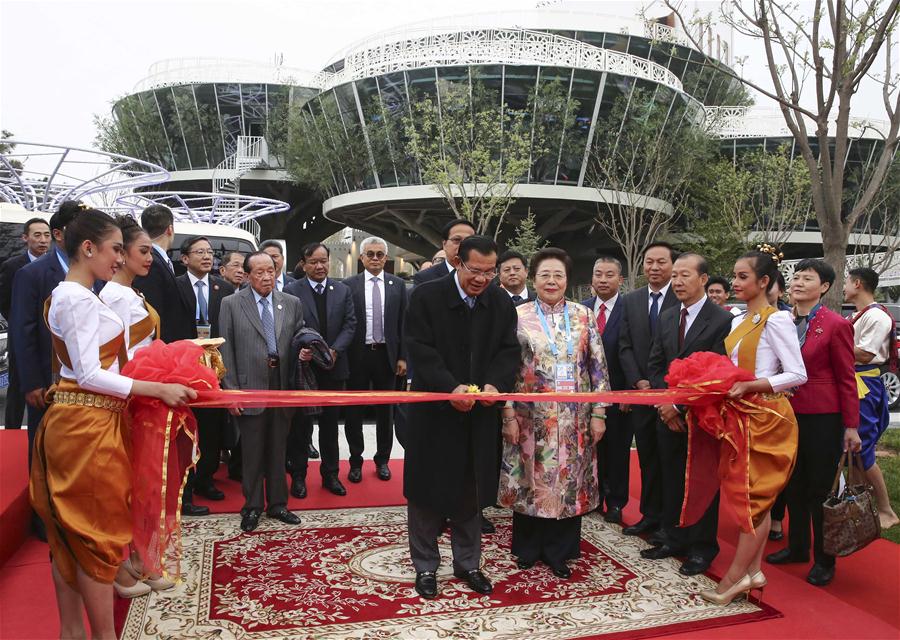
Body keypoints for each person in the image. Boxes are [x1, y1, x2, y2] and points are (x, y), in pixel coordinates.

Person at [29, 208, 195, 639]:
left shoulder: (74, 295)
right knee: (93, 537)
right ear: (88, 248)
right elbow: (88, 374)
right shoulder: (76, 297)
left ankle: (74, 631)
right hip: (85, 425)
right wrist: (157, 389)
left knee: (73, 536)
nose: (120, 259)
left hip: (88, 419)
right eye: (116, 249)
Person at [404, 235, 519, 599]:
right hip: (434, 412)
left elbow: (508, 351)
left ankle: (468, 564)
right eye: (475, 270)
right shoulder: (427, 296)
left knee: (471, 491)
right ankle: (425, 566)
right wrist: (449, 387)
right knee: (426, 491)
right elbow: (419, 348)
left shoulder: (500, 302)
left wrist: (494, 384)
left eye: (490, 272)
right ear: (457, 262)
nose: (482, 279)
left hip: (478, 415)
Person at [691, 248, 807, 605]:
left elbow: (797, 374)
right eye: (735, 275)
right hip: (740, 414)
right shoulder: (738, 319)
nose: (735, 282)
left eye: (743, 277)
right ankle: (753, 572)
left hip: (767, 418)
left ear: (764, 281)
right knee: (754, 497)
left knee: (753, 498)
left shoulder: (778, 320)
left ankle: (733, 578)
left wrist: (751, 385)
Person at [498, 248, 609, 578]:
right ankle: (528, 548)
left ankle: (560, 550)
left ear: (567, 280)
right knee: (530, 479)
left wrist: (599, 413)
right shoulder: (517, 316)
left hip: (575, 418)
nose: (551, 281)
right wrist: (507, 414)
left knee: (569, 480)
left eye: (558, 275)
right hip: (529, 418)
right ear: (534, 279)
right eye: (544, 274)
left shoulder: (583, 315)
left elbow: (598, 367)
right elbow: (506, 369)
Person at [764, 259, 860, 587]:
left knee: (819, 488)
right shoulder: (781, 320)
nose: (798, 283)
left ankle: (824, 559)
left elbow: (846, 378)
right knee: (792, 482)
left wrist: (851, 425)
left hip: (822, 416)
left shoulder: (835, 324)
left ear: (825, 287)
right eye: (796, 277)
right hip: (786, 413)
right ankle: (797, 546)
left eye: (807, 278)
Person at [98, 214, 173, 598]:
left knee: (147, 485)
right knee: (136, 485)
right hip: (132, 398)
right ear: (122, 254)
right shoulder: (114, 296)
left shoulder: (130, 293)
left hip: (147, 394)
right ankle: (128, 562)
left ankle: (143, 559)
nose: (149, 258)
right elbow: (117, 357)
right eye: (143, 251)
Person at [645, 253, 733, 576]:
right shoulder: (668, 316)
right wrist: (666, 404)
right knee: (670, 476)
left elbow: (718, 372)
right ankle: (673, 537)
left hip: (702, 416)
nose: (678, 282)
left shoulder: (722, 320)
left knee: (702, 481)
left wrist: (681, 406)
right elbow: (656, 363)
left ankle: (702, 547)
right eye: (675, 276)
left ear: (703, 279)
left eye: (685, 275)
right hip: (666, 413)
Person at [219, 251, 305, 532]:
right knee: (253, 450)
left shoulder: (290, 303)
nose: (268, 277)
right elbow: (225, 349)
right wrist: (231, 391)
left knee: (279, 449)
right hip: (249, 386)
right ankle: (253, 506)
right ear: (247, 276)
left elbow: (299, 337)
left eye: (271, 271)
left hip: (281, 385)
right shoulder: (231, 304)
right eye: (260, 272)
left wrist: (306, 350)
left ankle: (278, 503)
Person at [132, 204, 206, 516]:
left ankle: (177, 497)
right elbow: (156, 322)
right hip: (162, 367)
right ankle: (171, 500)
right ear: (171, 229)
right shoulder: (154, 267)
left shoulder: (161, 262)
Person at [284, 243, 357, 497]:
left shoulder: (342, 290)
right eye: (313, 262)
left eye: (323, 261)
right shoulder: (292, 290)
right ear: (303, 264)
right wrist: (302, 351)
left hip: (334, 368)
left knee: (330, 426)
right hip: (305, 369)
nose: (320, 266)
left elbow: (350, 324)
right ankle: (299, 476)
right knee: (301, 427)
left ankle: (331, 475)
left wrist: (334, 350)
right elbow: (290, 327)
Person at [11, 202, 82, 461]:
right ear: (59, 234)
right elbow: (23, 331)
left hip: (84, 379)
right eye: (78, 229)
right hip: (47, 379)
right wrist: (32, 383)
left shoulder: (94, 272)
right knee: (43, 445)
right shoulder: (32, 274)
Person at [618, 241, 679, 537]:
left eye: (661, 262)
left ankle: (671, 521)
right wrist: (638, 381)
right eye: (649, 262)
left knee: (671, 459)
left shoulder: (681, 298)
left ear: (673, 265)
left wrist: (662, 385)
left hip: (672, 395)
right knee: (647, 457)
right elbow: (624, 344)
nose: (654, 268)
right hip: (642, 393)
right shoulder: (631, 300)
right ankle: (649, 515)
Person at [176, 236, 236, 501]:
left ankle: (206, 479)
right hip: (184, 365)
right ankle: (185, 484)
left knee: (212, 427)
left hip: (214, 367)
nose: (206, 256)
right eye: (199, 252)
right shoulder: (175, 286)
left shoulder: (224, 288)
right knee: (187, 427)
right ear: (185, 258)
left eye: (209, 252)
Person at [344, 236, 407, 483]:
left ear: (386, 258)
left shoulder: (398, 285)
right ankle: (355, 461)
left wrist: (403, 357)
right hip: (358, 355)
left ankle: (383, 460)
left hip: (386, 356)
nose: (375, 259)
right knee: (354, 412)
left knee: (385, 412)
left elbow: (403, 323)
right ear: (361, 258)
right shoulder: (349, 285)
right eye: (370, 254)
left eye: (380, 254)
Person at [843, 267, 899, 530]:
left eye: (846, 282)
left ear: (857, 283)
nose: (843, 287)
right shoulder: (858, 315)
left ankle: (886, 510)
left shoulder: (876, 316)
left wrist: (835, 345)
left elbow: (866, 354)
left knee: (862, 447)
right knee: (851, 452)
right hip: (855, 382)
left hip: (864, 384)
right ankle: (858, 505)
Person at [580, 256, 628, 524]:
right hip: (586, 395)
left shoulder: (628, 309)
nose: (603, 280)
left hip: (619, 394)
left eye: (609, 275)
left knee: (617, 449)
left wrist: (628, 391)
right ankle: (593, 496)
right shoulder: (581, 309)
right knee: (590, 448)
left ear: (620, 280)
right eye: (598, 274)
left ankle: (617, 502)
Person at [0, 216, 51, 430]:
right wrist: (20, 323)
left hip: (49, 337)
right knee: (18, 385)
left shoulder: (56, 266)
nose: (43, 240)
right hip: (22, 336)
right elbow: (4, 301)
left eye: (46, 235)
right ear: (25, 238)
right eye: (37, 235)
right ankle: (11, 430)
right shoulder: (13, 266)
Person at [412, 218, 475, 284]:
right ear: (444, 244)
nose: (463, 245)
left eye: (469, 241)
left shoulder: (481, 276)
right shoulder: (425, 278)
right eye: (457, 240)